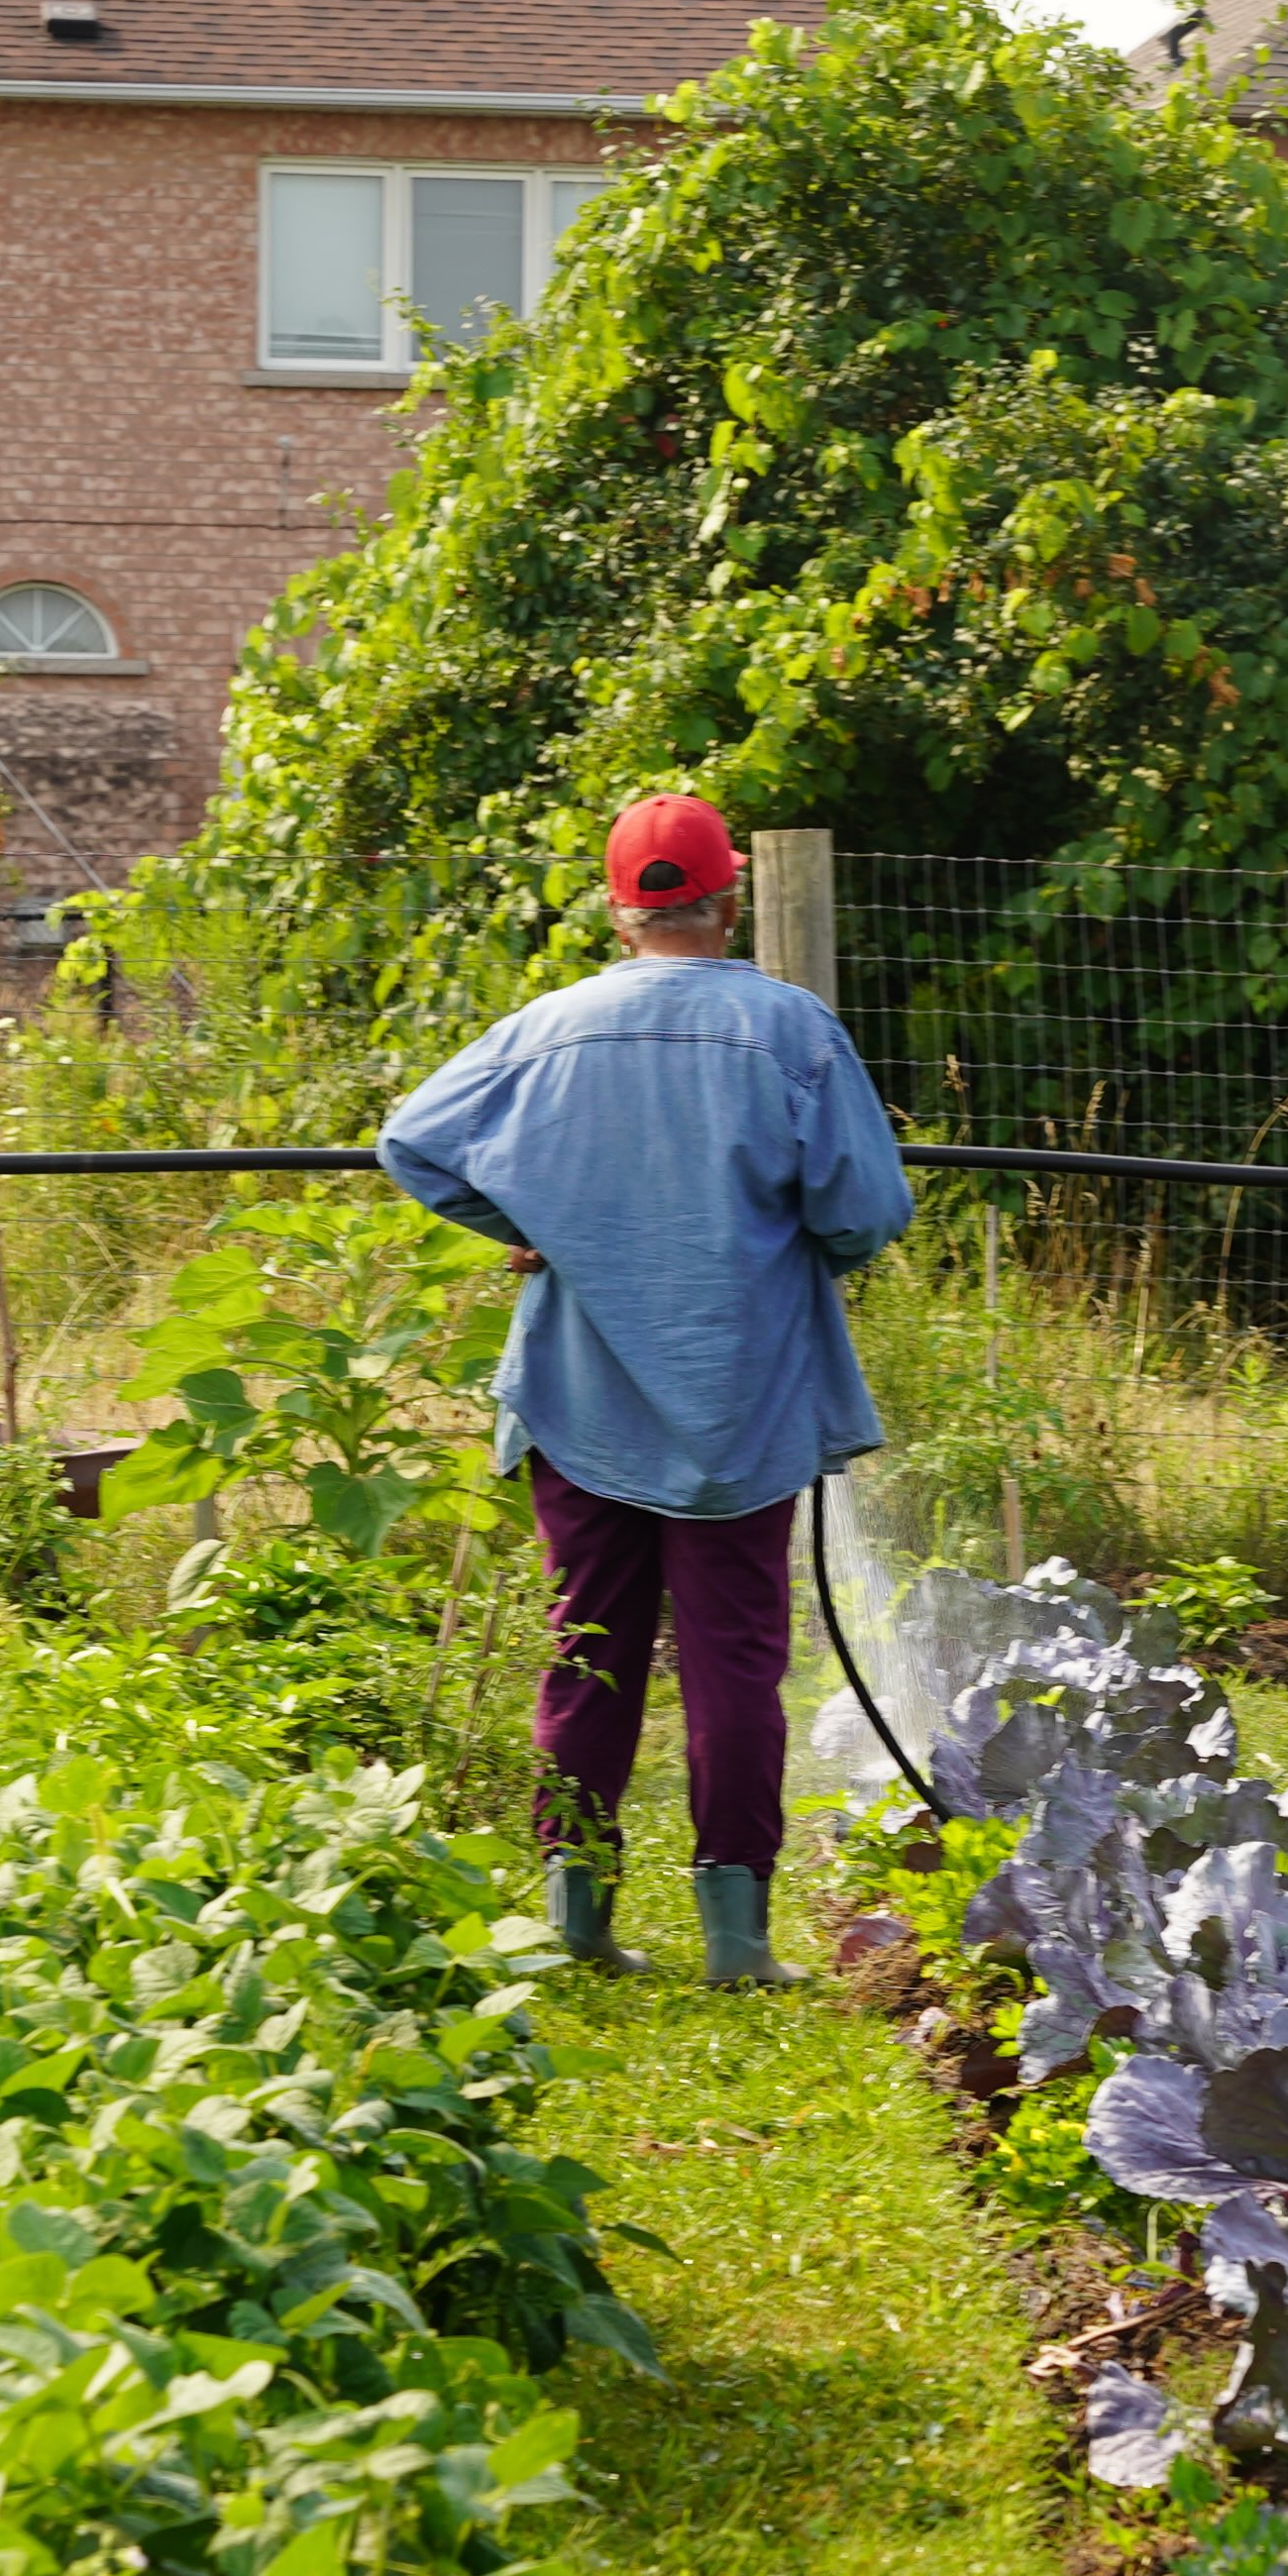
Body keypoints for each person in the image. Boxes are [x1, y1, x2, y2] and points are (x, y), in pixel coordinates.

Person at [376, 794, 912, 1986]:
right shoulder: (790, 1030)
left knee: (588, 1646)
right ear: (727, 900)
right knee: (733, 1662)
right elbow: (867, 1210)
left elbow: (410, 1140)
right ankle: (737, 1940)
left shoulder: (546, 1028)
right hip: (743, 1396)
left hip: (578, 1393)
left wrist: (529, 1222)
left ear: (621, 912)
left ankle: (577, 1922)